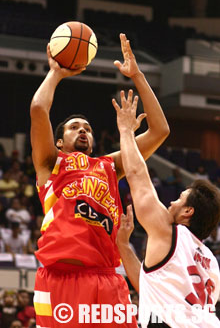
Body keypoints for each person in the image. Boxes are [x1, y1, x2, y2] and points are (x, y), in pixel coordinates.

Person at [30, 33, 169, 327]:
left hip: (107, 278)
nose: (83, 131)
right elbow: (38, 110)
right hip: (60, 278)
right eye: (74, 128)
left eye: (88, 128)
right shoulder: (51, 163)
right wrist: (56, 73)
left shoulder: (109, 165)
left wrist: (138, 76)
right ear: (58, 141)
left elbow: (159, 131)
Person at [113, 90, 220, 327]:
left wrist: (126, 132)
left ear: (188, 212)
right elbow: (153, 290)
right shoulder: (212, 263)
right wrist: (123, 245)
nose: (171, 202)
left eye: (179, 199)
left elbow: (137, 175)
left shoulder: (168, 231)